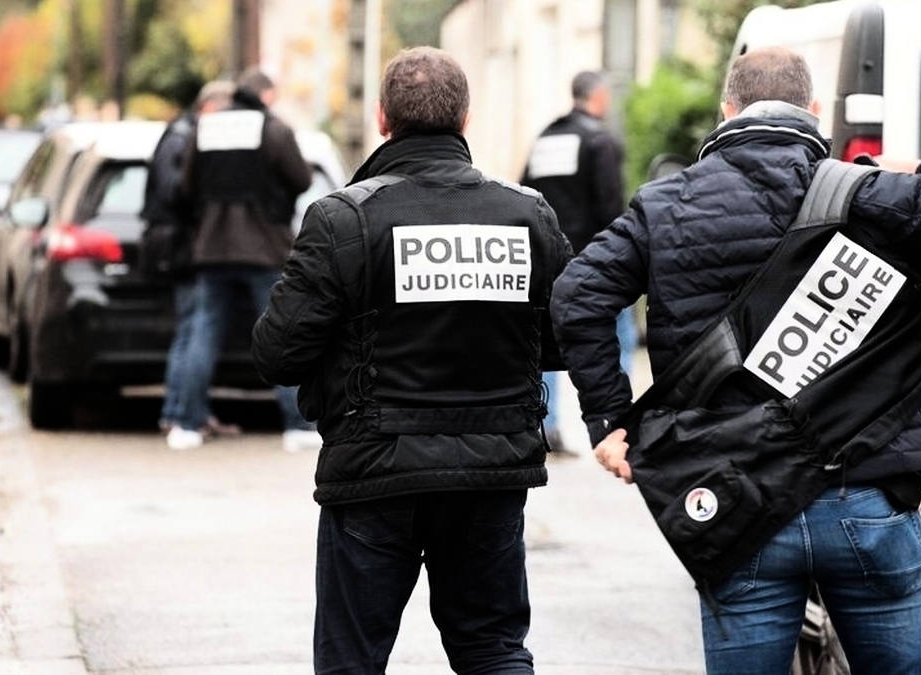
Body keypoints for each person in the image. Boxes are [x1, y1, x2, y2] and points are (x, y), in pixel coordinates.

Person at [551, 46, 921, 675]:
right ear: (812, 112)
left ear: (727, 110)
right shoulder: (871, 194)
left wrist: (611, 422)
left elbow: (577, 295)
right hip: (867, 491)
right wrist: (918, 166)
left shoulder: (664, 205)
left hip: (738, 501)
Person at [250, 46, 572, 674]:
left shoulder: (342, 219)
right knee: (494, 649)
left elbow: (277, 353)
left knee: (352, 660)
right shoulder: (525, 214)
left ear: (381, 119)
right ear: (466, 119)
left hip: (374, 472)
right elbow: (560, 341)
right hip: (492, 472)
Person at [163, 67, 314, 452]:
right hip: (264, 248)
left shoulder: (207, 127)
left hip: (212, 249)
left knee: (204, 333)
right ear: (264, 95)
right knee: (280, 333)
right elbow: (302, 179)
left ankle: (188, 424)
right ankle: (296, 425)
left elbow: (186, 187)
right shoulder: (273, 129)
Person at [520, 70, 632, 455]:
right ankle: (624, 426)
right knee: (621, 333)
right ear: (599, 97)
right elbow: (612, 210)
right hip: (590, 260)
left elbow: (523, 193)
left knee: (544, 340)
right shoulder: (598, 140)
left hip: (544, 260)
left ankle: (545, 427)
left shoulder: (545, 139)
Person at [141, 79, 241, 443]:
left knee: (191, 329)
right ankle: (180, 413)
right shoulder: (183, 138)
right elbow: (173, 192)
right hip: (180, 246)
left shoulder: (181, 135)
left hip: (182, 244)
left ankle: (189, 411)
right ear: (211, 109)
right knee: (190, 330)